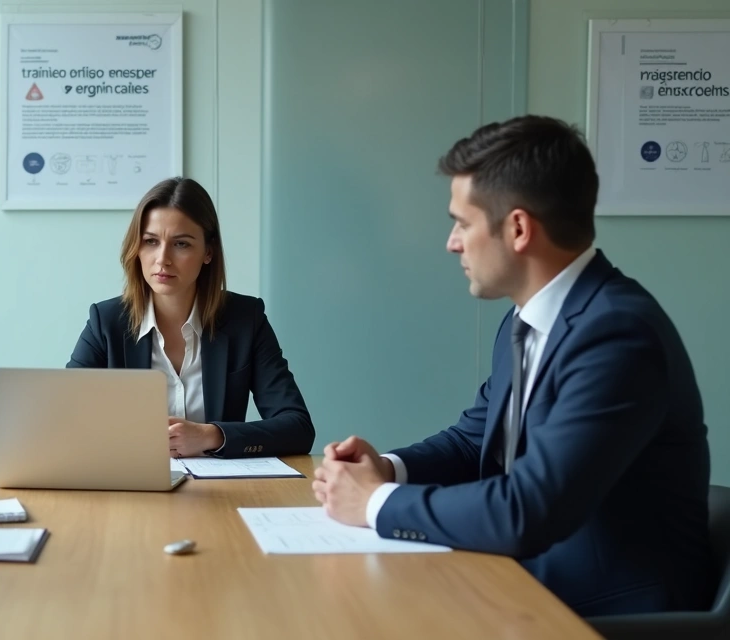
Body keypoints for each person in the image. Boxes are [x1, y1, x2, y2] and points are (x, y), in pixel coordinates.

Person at [311, 116, 714, 616]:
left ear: (518, 228)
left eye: (462, 222)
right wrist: (389, 469)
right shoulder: (524, 320)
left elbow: (528, 510)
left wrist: (374, 503)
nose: (451, 242)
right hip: (525, 579)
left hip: (607, 610)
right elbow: (473, 440)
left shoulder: (618, 335)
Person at [68, 177, 314, 458]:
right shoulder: (106, 322)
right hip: (132, 485)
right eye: (150, 241)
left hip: (219, 493)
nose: (163, 259)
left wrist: (211, 435)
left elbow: (298, 428)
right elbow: (66, 419)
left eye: (181, 244)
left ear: (208, 252)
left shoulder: (246, 320)